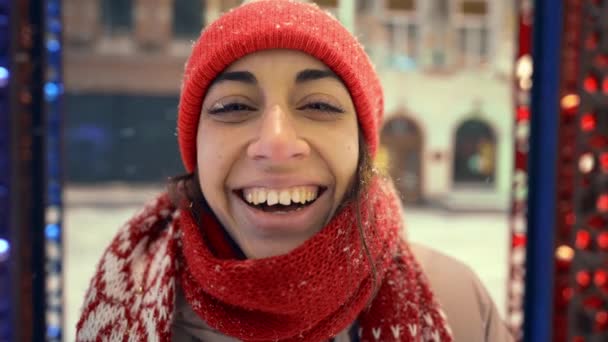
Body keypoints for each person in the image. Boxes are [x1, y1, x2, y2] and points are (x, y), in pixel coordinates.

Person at [76, 1, 514, 341]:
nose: (277, 144)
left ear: (362, 145)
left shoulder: (456, 301)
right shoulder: (124, 298)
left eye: (319, 105)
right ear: (195, 146)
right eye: (233, 107)